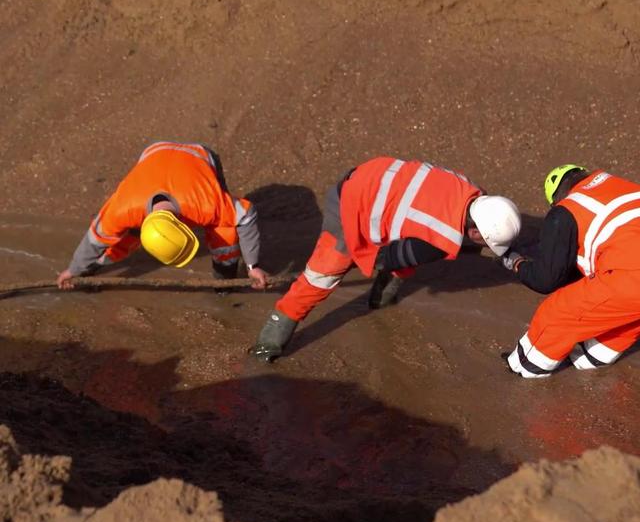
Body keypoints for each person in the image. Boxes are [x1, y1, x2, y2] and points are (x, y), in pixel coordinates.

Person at [250, 156, 521, 362]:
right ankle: (270, 342)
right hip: (351, 204)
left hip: (376, 178)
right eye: (485, 242)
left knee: (408, 254)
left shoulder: (474, 193)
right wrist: (365, 257)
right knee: (321, 277)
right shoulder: (441, 238)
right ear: (474, 231)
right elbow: (391, 257)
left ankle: (381, 298)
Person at [57, 141, 268, 289]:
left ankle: (225, 280)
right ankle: (90, 270)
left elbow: (247, 215)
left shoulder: (207, 204)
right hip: (154, 153)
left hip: (200, 156)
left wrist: (252, 266)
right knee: (123, 235)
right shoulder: (123, 208)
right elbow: (95, 239)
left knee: (224, 231)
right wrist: (73, 270)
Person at [502, 164, 640, 378]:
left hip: (632, 276)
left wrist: (516, 262)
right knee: (622, 320)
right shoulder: (618, 185)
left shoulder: (567, 209)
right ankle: (589, 361)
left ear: (556, 198)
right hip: (631, 284)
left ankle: (522, 368)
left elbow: (546, 280)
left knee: (556, 314)